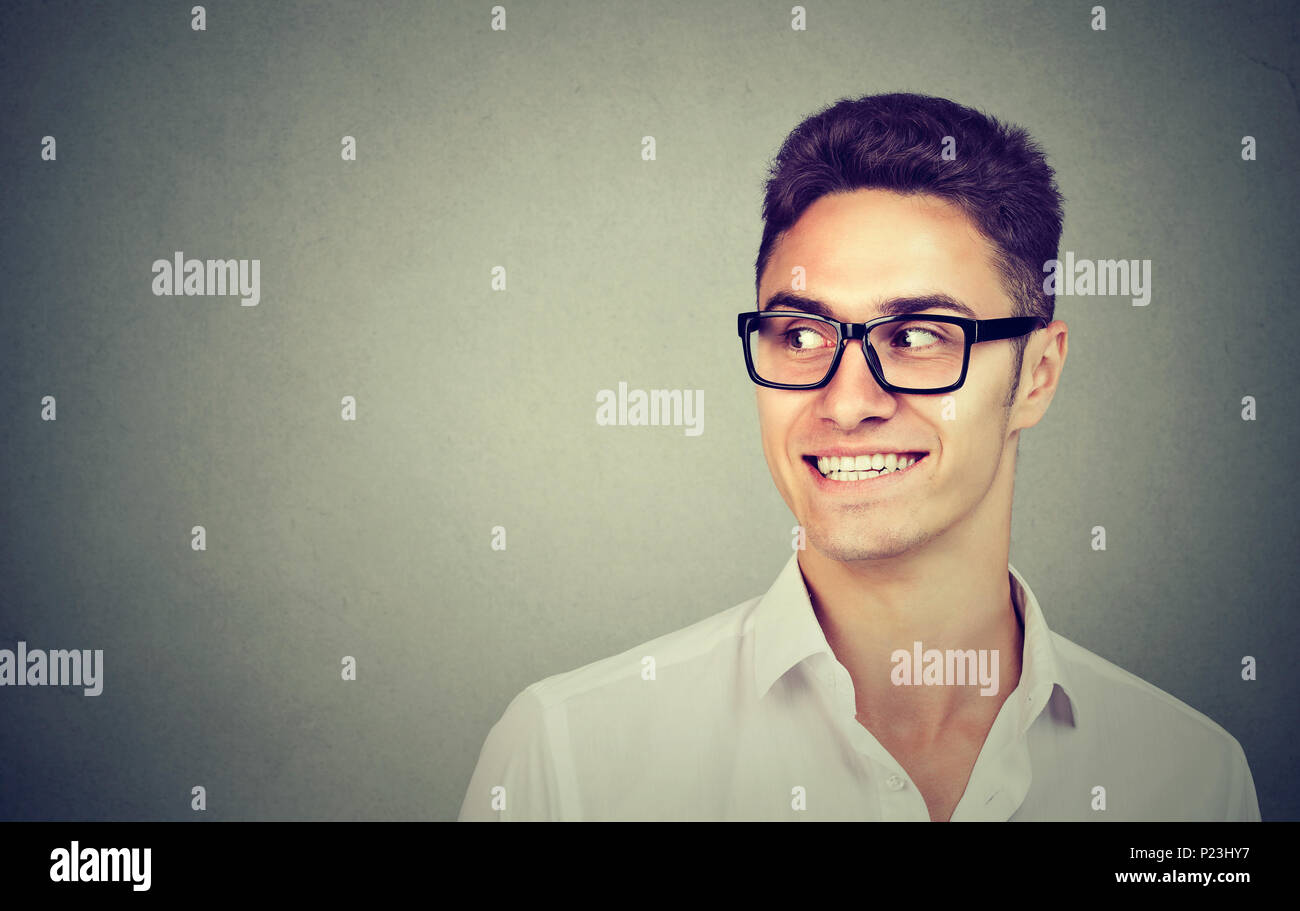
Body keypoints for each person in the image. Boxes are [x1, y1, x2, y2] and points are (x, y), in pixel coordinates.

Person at [458, 93, 1260, 821]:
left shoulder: (1192, 782)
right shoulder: (568, 762)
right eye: (802, 334)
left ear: (1036, 377)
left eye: (916, 337)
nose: (845, 402)